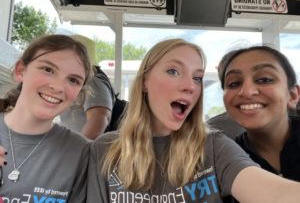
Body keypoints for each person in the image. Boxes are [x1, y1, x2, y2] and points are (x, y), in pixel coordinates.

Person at [86, 38, 300, 203]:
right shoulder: (105, 149)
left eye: (197, 77)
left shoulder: (214, 146)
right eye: (173, 71)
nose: (190, 85)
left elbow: (273, 193)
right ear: (144, 82)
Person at [0, 34, 92, 202]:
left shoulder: (81, 152)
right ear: (20, 70)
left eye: (73, 80)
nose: (57, 87)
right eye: (48, 70)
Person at [218, 46, 300, 182]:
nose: (246, 91)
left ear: (292, 95)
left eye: (265, 79)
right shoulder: (223, 161)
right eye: (234, 83)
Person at [57, 65, 113, 140]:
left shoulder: (90, 81)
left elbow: (98, 118)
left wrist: (77, 150)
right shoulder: (65, 83)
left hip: (85, 149)